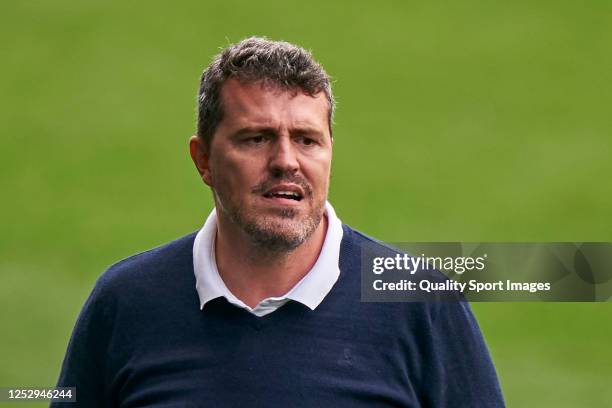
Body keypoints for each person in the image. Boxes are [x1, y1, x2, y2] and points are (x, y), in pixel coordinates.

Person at [53, 37, 505, 407]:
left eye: (307, 140)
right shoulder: (127, 302)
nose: (285, 161)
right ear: (204, 159)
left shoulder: (422, 305)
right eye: (256, 138)